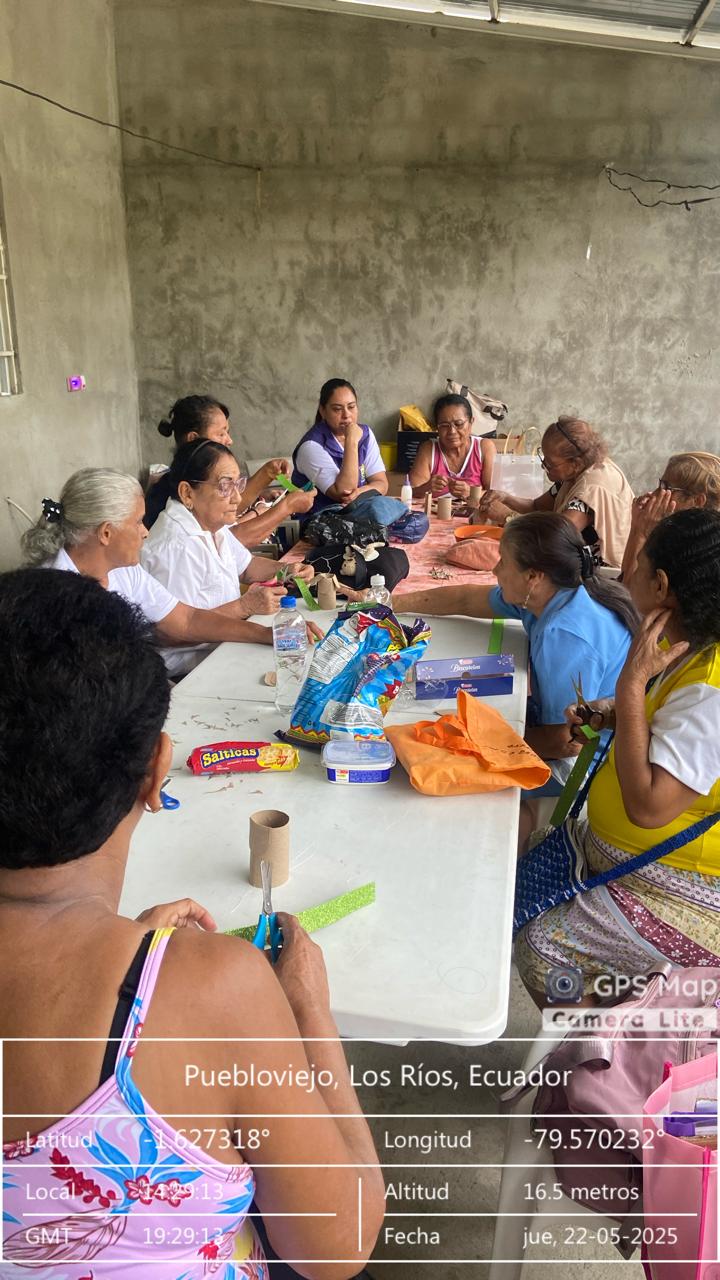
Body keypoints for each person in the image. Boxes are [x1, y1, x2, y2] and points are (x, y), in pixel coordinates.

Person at [0, 568, 384, 1278]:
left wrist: (124, 950)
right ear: (157, 772)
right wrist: (308, 1013)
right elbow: (339, 1246)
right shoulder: (218, 989)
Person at [515, 508, 720, 1006]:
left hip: (677, 884)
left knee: (542, 949)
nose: (627, 579)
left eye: (639, 566)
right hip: (623, 856)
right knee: (526, 865)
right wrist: (611, 712)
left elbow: (648, 807)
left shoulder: (710, 690)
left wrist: (629, 687)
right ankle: (607, 1004)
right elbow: (661, 721)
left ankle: (592, 1048)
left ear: (662, 584)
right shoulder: (687, 646)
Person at [395, 513, 636, 783]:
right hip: (555, 731)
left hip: (590, 768)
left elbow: (565, 742)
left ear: (533, 576)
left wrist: (474, 742)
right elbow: (464, 599)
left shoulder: (565, 635)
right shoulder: (549, 594)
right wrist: (389, 604)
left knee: (435, 765)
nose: (495, 571)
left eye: (503, 561)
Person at [21, 469, 286, 677]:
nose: (145, 532)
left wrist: (266, 634)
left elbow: (186, 620)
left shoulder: (124, 570)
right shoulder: (53, 595)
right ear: (106, 533)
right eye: (138, 522)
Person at [142, 441, 317, 677]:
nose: (237, 498)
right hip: (189, 670)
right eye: (225, 486)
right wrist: (245, 607)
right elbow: (174, 632)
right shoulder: (174, 546)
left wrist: (287, 570)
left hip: (223, 648)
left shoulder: (210, 523)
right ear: (187, 493)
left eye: (237, 484)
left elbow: (247, 566)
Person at [146, 394, 316, 538]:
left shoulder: (192, 481)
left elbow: (230, 507)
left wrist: (267, 473)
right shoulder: (184, 491)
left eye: (227, 432)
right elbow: (229, 541)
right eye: (221, 434)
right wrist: (281, 508)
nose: (229, 440)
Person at [478, 416, 634, 570]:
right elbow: (536, 506)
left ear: (575, 463)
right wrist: (505, 497)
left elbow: (554, 537)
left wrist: (508, 517)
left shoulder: (591, 488)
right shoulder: (572, 475)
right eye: (544, 458)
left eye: (550, 463)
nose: (543, 466)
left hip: (602, 574)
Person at [291, 379, 388, 514]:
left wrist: (359, 492)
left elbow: (382, 484)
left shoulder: (365, 434)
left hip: (355, 517)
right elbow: (343, 492)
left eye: (351, 407)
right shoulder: (311, 446)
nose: (346, 415)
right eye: (337, 409)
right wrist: (351, 441)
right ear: (322, 411)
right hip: (318, 521)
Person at [621, 450, 720, 580]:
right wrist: (636, 526)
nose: (654, 494)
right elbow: (623, 581)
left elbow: (630, 589)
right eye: (660, 485)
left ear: (697, 501)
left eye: (666, 488)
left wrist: (642, 533)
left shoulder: (696, 551)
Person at [409, 393, 495, 499]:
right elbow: (411, 493)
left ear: (471, 422)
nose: (452, 431)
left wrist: (472, 493)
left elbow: (496, 494)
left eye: (459, 424)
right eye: (444, 425)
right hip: (436, 510)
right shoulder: (428, 449)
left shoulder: (484, 448)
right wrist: (426, 487)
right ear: (437, 428)